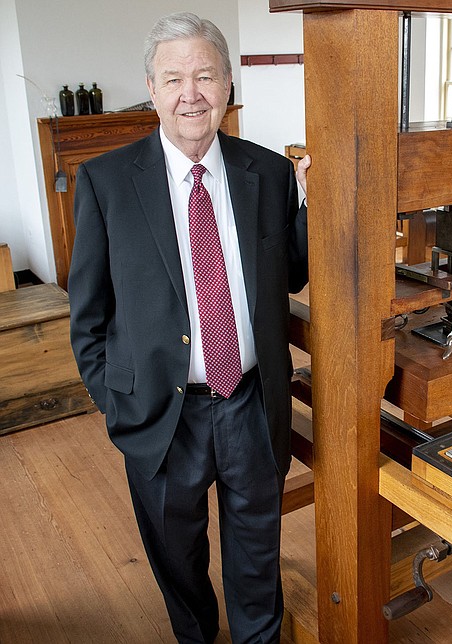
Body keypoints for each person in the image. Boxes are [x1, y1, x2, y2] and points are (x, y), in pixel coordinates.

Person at [69, 12, 309, 644]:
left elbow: (293, 274)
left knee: (257, 559)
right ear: (151, 88)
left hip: (251, 404)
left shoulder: (271, 174)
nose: (191, 94)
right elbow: (88, 315)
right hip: (159, 414)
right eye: (174, 78)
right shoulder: (106, 182)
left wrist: (316, 202)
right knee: (178, 561)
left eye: (206, 76)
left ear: (228, 85)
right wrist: (117, 402)